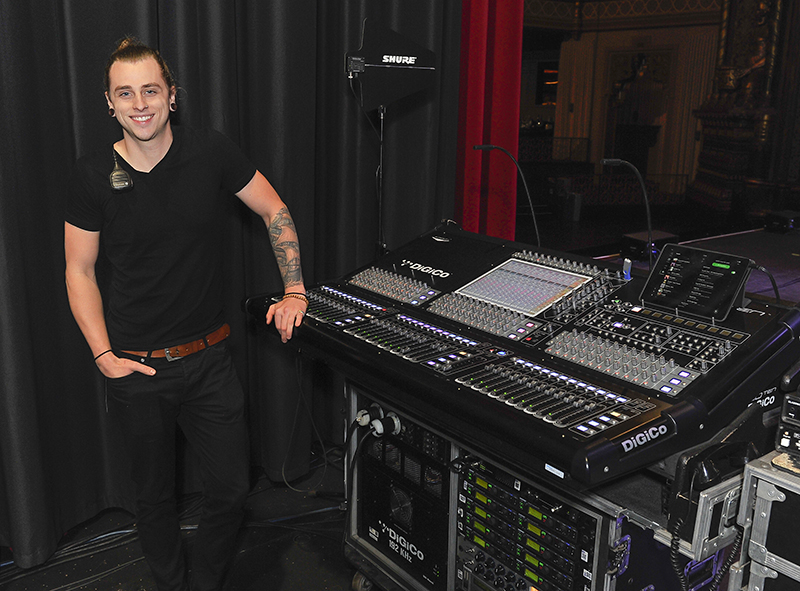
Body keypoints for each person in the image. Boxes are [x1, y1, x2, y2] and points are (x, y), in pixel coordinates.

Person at [64, 37, 307, 591]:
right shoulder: (90, 174)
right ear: (109, 102)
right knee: (153, 498)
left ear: (172, 96)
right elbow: (79, 271)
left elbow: (274, 209)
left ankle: (206, 582)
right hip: (137, 367)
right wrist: (103, 355)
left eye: (150, 89)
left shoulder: (211, 151)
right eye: (125, 93)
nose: (139, 103)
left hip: (209, 359)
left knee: (231, 489)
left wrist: (294, 289)